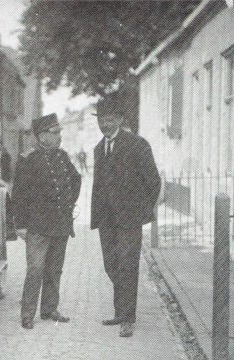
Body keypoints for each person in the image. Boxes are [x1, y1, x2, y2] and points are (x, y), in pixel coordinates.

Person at [90, 93, 161, 338]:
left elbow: (153, 181)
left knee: (128, 266)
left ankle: (127, 318)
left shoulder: (137, 144)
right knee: (112, 266)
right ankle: (120, 312)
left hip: (129, 219)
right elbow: (98, 185)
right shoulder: (99, 149)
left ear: (119, 119)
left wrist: (141, 211)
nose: (104, 124)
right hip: (106, 220)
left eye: (109, 119)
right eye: (101, 120)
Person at [12, 113, 82, 329]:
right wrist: (21, 225)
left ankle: (49, 309)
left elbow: (75, 179)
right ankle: (27, 313)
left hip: (60, 223)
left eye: (59, 132)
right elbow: (19, 195)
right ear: (42, 136)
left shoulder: (62, 156)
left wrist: (68, 204)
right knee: (35, 269)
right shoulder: (27, 159)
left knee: (55, 269)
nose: (60, 135)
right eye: (55, 132)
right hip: (38, 226)